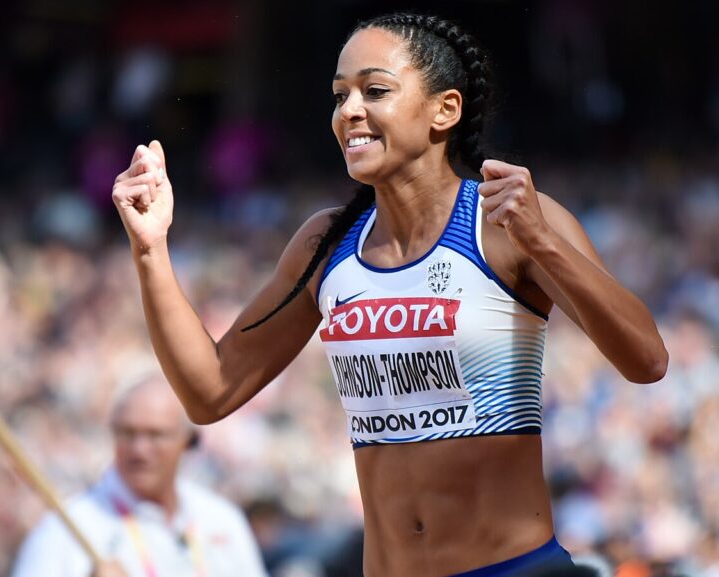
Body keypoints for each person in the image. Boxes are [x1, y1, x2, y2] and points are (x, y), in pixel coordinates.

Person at [111, 12, 668, 577]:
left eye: (374, 91)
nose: (349, 111)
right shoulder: (326, 245)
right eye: (340, 96)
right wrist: (151, 249)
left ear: (445, 109)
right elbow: (210, 392)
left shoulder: (508, 221)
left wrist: (543, 244)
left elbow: (647, 360)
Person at [10, 376, 268, 577]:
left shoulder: (221, 520)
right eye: (127, 433)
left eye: (156, 435)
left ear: (189, 441)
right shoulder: (66, 529)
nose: (139, 450)